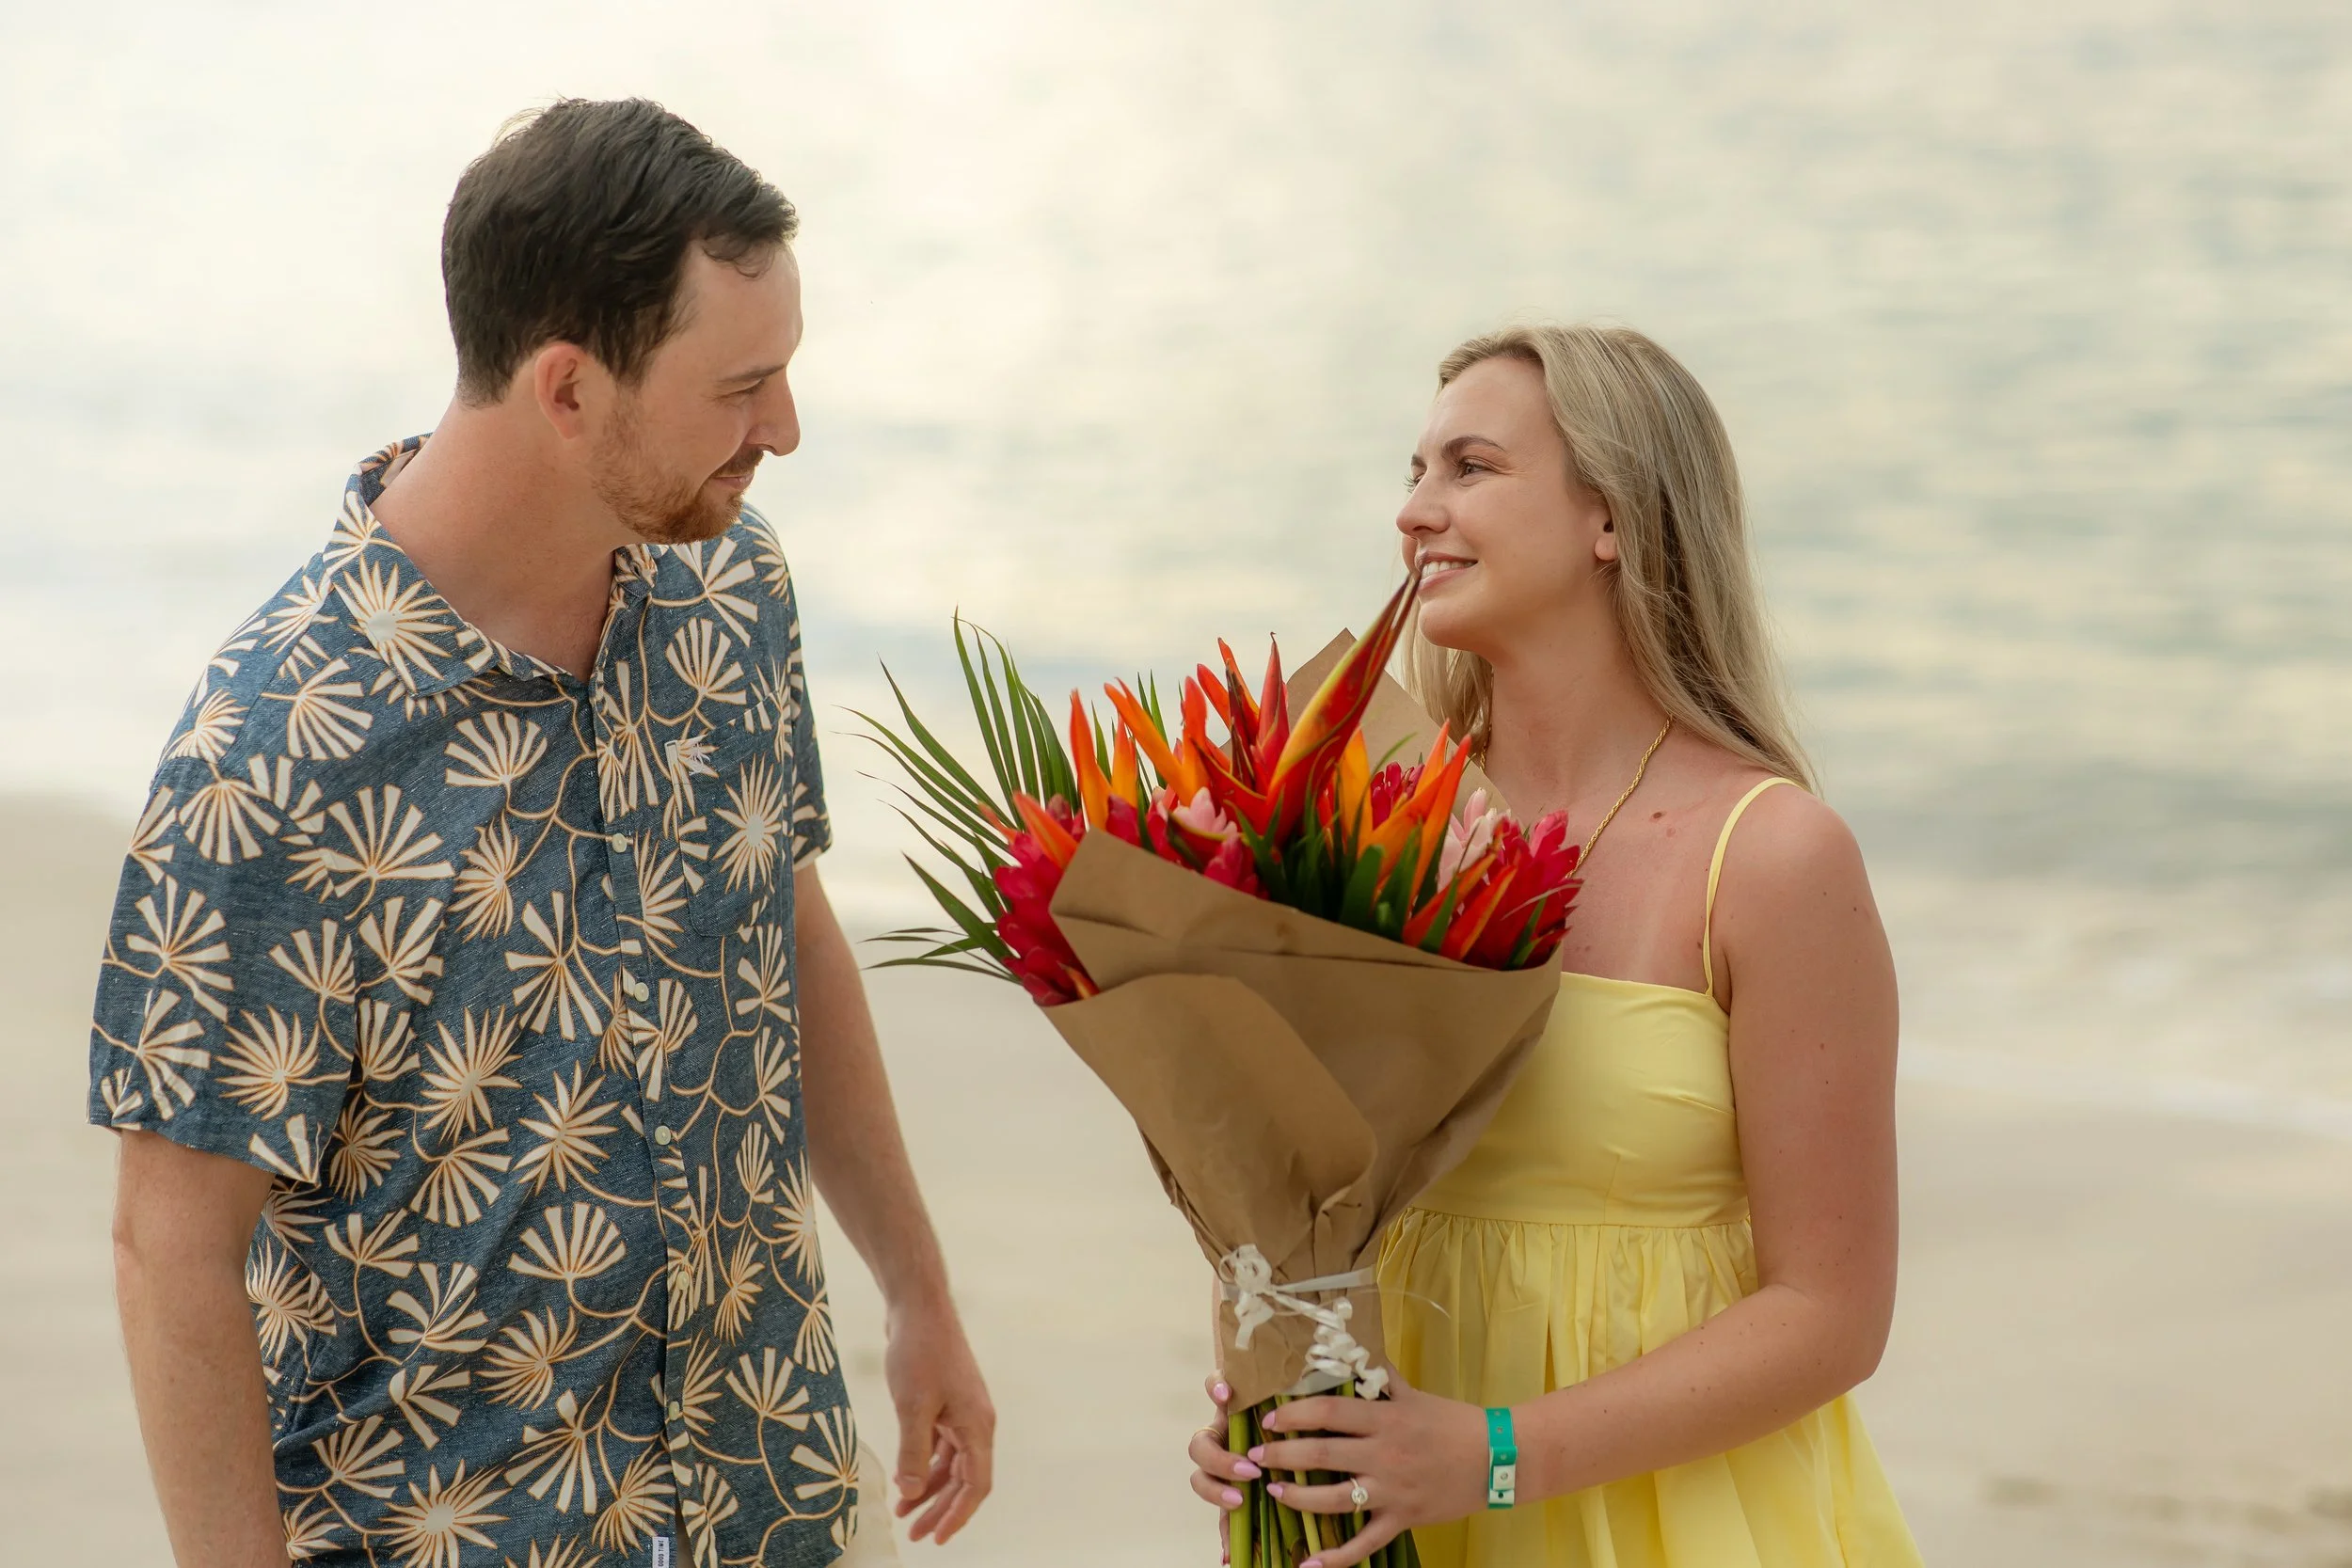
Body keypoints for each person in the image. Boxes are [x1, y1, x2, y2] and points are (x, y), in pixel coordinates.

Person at [88, 98, 993, 1568]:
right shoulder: (279, 750)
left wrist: (917, 1291)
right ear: (569, 390)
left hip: (779, 1502)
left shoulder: (730, 587)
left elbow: (788, 925)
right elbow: (171, 1246)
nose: (785, 430)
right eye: (743, 386)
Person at [1188, 325, 1923, 1567]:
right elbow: (1299, 1211)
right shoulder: (1360, 820)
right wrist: (1268, 1396)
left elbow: (1832, 1313)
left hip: (1677, 1522)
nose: (1416, 512)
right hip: (1395, 1513)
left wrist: (1496, 1450)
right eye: (1415, 472)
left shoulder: (1776, 855)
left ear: (1615, 520)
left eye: (1470, 467)